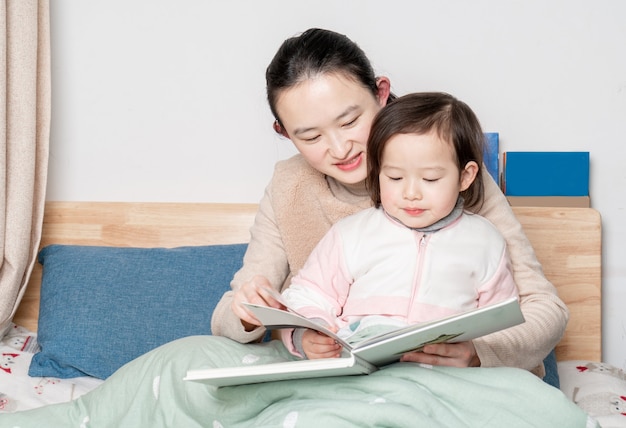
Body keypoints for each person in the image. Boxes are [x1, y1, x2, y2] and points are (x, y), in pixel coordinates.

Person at [211, 27, 568, 379]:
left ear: (381, 93)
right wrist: (250, 314)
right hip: (344, 377)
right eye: (310, 135)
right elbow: (231, 313)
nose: (340, 149)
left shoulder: (443, 168)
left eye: (350, 121)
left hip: (449, 379)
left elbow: (543, 308)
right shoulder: (288, 187)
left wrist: (479, 353)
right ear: (285, 133)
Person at [279, 92, 519, 360]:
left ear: (465, 177)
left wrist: (478, 354)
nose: (411, 193)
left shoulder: (485, 242)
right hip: (360, 363)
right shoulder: (351, 234)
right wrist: (308, 334)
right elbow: (307, 295)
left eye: (430, 179)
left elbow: (500, 321)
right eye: (394, 177)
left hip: (440, 370)